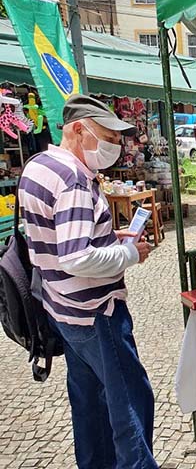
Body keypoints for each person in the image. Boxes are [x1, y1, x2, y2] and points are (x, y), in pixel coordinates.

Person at [18, 95, 157, 469]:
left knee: (89, 404)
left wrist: (109, 238)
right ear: (78, 130)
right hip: (96, 312)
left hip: (61, 309)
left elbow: (55, 236)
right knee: (130, 402)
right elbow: (77, 257)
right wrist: (130, 254)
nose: (115, 146)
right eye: (108, 137)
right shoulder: (74, 180)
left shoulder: (37, 166)